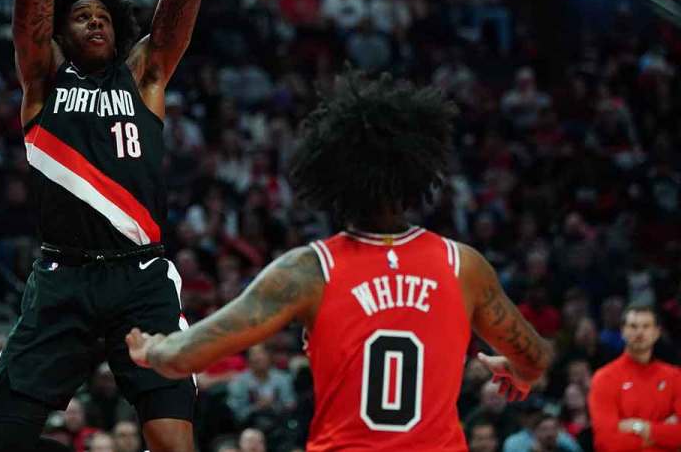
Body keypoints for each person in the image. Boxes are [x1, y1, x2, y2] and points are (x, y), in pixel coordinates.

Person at [126, 73, 554, 451]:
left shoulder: (309, 271)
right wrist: (516, 369)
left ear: (330, 176)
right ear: (419, 173)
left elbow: (183, 357)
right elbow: (536, 356)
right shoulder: (463, 265)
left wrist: (151, 349)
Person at [0, 0, 206, 452]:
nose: (95, 21)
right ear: (62, 29)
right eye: (82, 15)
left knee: (171, 439)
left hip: (141, 275)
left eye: (104, 16)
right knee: (3, 439)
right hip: (64, 276)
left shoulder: (147, 74)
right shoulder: (43, 79)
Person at [587, 305, 681, 450]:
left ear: (657, 332)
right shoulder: (604, 378)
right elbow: (606, 442)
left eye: (646, 326)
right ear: (622, 332)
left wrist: (639, 427)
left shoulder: (674, 376)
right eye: (633, 326)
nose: (639, 332)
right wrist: (662, 434)